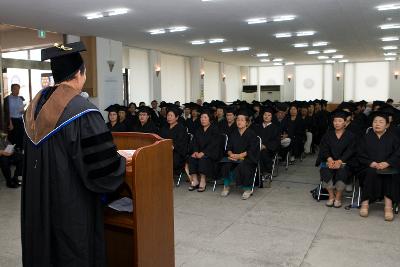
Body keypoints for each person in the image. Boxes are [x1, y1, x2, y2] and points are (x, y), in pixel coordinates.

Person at [21, 42, 126, 266]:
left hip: (38, 204)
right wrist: (120, 163)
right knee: (72, 250)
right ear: (79, 74)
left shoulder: (33, 108)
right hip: (71, 204)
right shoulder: (82, 111)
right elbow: (102, 169)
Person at [358, 111, 400, 221]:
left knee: (389, 175)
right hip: (369, 166)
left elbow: (398, 153)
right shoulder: (365, 137)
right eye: (375, 121)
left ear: (387, 125)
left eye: (381, 122)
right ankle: (365, 203)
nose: (377, 124)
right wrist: (371, 163)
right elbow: (359, 153)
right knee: (370, 173)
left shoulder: (393, 138)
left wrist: (387, 163)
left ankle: (388, 206)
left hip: (389, 166)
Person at [317, 110, 356, 208]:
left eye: (340, 121)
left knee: (342, 172)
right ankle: (331, 196)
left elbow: (351, 150)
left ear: (345, 123)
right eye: (335, 121)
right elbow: (324, 148)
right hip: (329, 161)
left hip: (345, 162)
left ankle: (338, 197)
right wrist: (329, 159)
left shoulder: (351, 136)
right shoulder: (328, 135)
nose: (337, 123)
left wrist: (340, 161)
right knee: (325, 171)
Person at [220, 110, 260, 200]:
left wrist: (240, 156)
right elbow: (228, 147)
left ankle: (247, 189)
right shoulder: (233, 133)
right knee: (226, 164)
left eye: (242, 120)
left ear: (247, 122)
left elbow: (252, 149)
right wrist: (231, 154)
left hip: (247, 158)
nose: (239, 122)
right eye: (238, 120)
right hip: (234, 157)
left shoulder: (252, 134)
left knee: (244, 166)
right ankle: (226, 186)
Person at [188, 109, 220, 192]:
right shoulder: (198, 130)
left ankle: (203, 180)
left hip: (211, 153)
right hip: (199, 152)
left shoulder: (215, 129)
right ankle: (195, 180)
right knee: (192, 158)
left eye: (205, 117)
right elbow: (194, 142)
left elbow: (214, 144)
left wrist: (203, 153)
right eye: (201, 117)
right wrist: (195, 151)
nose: (203, 119)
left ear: (210, 119)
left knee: (203, 159)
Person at [254, 106, 280, 188]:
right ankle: (255, 176)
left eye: (269, 115)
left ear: (272, 117)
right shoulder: (257, 127)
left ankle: (263, 175)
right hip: (256, 148)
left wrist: (265, 146)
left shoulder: (275, 128)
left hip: (268, 150)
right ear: (262, 115)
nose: (266, 116)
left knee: (263, 153)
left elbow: (276, 141)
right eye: (265, 114)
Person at [159, 105, 189, 174]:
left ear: (177, 117)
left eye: (171, 116)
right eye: (168, 115)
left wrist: (173, 147)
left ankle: (167, 177)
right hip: (163, 150)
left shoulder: (181, 129)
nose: (169, 117)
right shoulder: (164, 128)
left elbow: (182, 144)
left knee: (169, 159)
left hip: (177, 153)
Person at [4, 83, 25, 149]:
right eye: (16, 89)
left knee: (20, 137)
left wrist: (24, 111)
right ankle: (11, 154)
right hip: (12, 120)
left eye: (18, 89)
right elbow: (7, 112)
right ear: (12, 89)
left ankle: (19, 153)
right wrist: (10, 123)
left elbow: (21, 111)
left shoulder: (20, 99)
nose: (17, 91)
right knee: (12, 138)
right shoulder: (7, 99)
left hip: (20, 120)